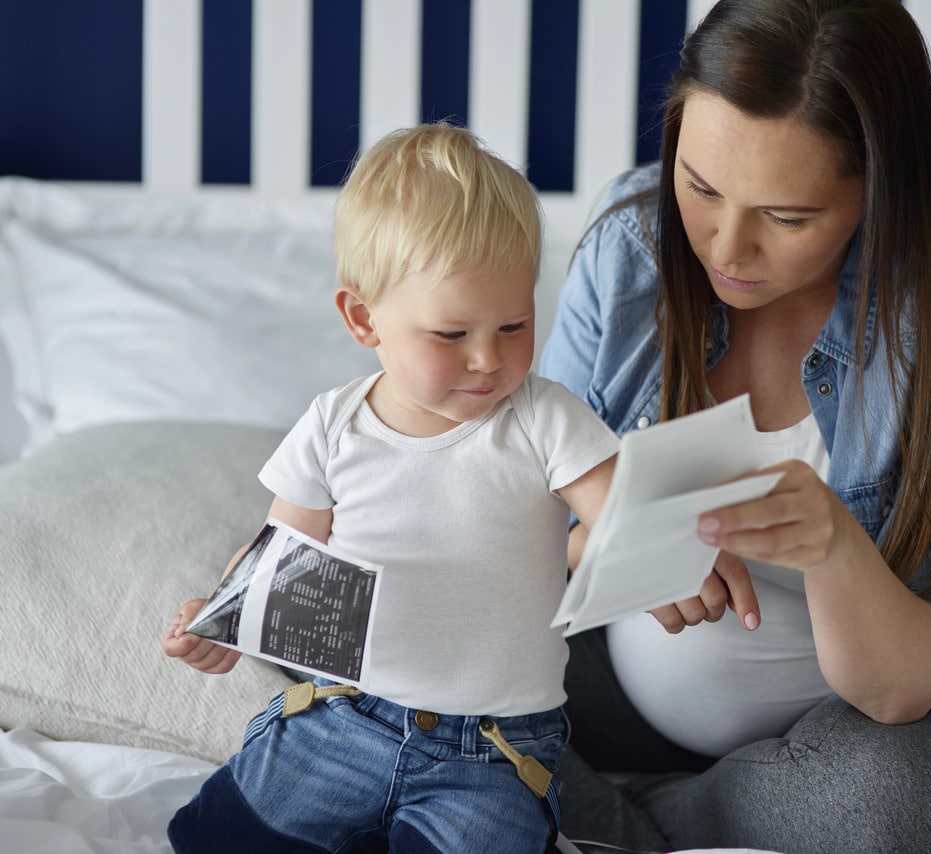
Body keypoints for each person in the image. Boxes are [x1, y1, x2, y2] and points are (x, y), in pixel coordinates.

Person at [538, 1, 931, 852]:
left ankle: (631, 815)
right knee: (403, 671)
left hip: (863, 730)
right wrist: (623, 528)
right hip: (621, 698)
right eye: (702, 186)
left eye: (787, 218)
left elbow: (902, 693)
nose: (725, 246)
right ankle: (688, 798)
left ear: (879, 188)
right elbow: (519, 535)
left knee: (917, 802)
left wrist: (829, 542)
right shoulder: (631, 244)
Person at [161, 122, 618, 853]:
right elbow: (281, 555)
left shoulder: (544, 418)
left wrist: (658, 549)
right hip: (345, 717)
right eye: (451, 334)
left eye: (514, 324)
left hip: (493, 750)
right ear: (364, 318)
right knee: (218, 840)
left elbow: (623, 517)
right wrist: (217, 619)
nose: (488, 359)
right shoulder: (334, 426)